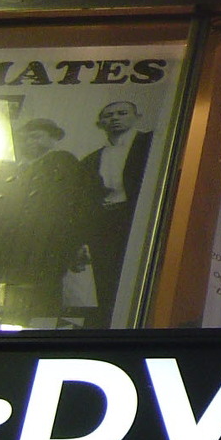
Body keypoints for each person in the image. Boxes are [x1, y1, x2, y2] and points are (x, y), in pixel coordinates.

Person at [0, 117, 94, 324]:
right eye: (24, 138)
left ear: (53, 139)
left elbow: (77, 207)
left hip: (41, 249)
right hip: (1, 249)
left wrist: (75, 243)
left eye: (36, 136)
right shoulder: (4, 169)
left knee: (36, 304)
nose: (29, 142)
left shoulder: (64, 163)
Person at [79, 100, 153, 324]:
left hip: (136, 219)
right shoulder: (92, 159)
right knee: (104, 279)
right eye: (109, 115)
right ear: (100, 123)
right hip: (105, 224)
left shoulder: (150, 144)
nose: (115, 118)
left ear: (137, 117)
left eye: (122, 113)